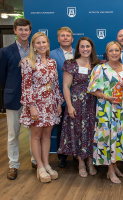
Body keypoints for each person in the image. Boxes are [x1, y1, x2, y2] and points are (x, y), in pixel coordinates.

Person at [88, 41, 123, 184]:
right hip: (107, 109)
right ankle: (110, 171)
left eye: (117, 50)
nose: (114, 53)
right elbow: (92, 89)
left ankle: (115, 166)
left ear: (120, 52)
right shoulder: (100, 68)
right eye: (111, 50)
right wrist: (107, 97)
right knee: (109, 137)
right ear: (106, 52)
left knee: (119, 138)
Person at [19, 32, 64, 183]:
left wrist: (58, 102)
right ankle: (39, 166)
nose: (41, 45)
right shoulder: (27, 62)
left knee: (47, 135)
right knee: (36, 135)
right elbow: (26, 86)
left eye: (44, 42)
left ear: (48, 44)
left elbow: (56, 84)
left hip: (50, 102)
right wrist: (31, 106)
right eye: (38, 43)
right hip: (36, 103)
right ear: (33, 45)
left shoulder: (52, 62)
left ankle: (46, 164)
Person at [0, 18, 37, 180]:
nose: (23, 32)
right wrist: (13, 89)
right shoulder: (5, 51)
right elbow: (1, 75)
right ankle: (13, 164)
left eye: (26, 29)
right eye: (20, 29)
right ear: (15, 31)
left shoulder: (36, 49)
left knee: (33, 132)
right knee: (13, 134)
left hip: (33, 100)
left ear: (30, 31)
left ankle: (35, 160)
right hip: (14, 99)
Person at [57, 37, 100, 177]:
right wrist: (69, 106)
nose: (85, 49)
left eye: (88, 46)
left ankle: (90, 162)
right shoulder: (71, 64)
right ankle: (81, 163)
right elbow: (65, 86)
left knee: (92, 133)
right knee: (79, 132)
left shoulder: (97, 65)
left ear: (92, 48)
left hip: (93, 104)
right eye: (82, 46)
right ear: (78, 49)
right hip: (76, 104)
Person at [50, 27, 75, 168]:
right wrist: (58, 100)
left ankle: (78, 155)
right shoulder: (52, 54)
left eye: (68, 36)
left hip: (78, 98)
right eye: (62, 36)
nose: (65, 38)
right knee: (61, 129)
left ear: (72, 38)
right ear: (58, 38)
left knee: (78, 127)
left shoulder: (79, 53)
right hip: (60, 98)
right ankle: (62, 157)